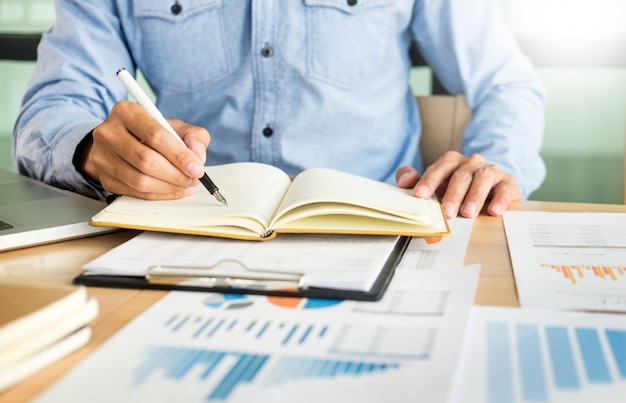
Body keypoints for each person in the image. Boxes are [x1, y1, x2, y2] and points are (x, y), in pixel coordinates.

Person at [13, 0, 546, 219]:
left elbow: (508, 83)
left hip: (380, 224)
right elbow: (52, 110)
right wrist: (87, 148)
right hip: (193, 229)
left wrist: (495, 163)